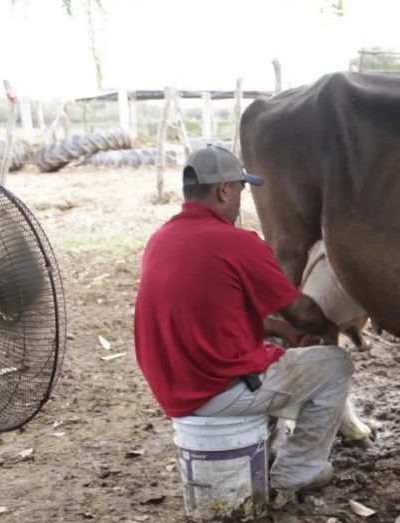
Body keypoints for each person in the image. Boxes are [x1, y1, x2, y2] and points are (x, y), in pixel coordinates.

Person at [134, 144, 352, 491]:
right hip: (214, 393)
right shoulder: (237, 243)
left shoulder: (159, 240)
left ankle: (267, 442)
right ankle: (297, 470)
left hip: (173, 390)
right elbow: (301, 313)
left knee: (275, 343)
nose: (240, 200)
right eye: (240, 189)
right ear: (223, 190)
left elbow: (215, 314)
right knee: (336, 365)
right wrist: (328, 326)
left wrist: (282, 331)